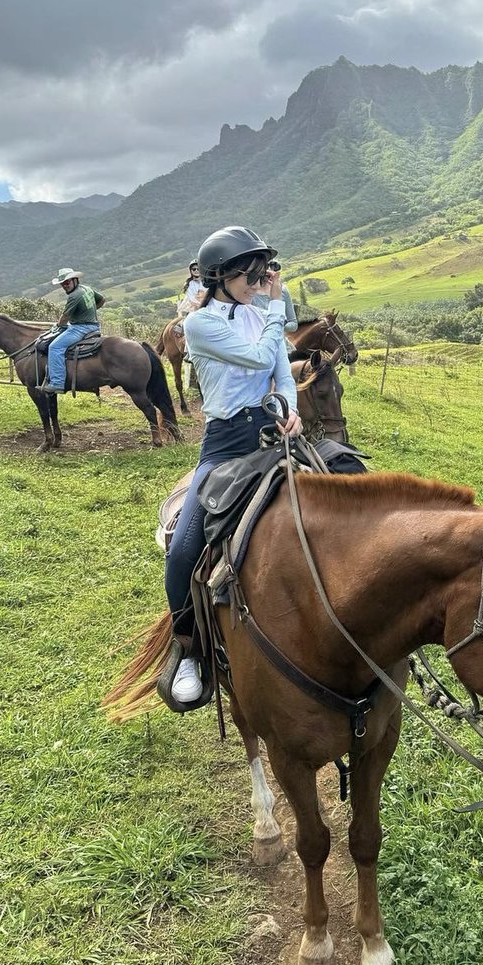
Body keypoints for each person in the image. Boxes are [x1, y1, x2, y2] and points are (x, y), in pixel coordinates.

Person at [165, 226, 303, 705]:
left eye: (262, 270)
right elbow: (259, 355)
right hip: (226, 444)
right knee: (183, 548)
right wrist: (271, 308)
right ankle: (187, 651)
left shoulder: (256, 313)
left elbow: (280, 370)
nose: (259, 278)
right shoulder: (202, 325)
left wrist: (291, 409)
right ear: (220, 275)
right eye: (250, 271)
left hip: (272, 431)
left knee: (348, 481)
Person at [38, 267, 105, 395]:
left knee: (54, 347)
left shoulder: (74, 296)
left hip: (80, 328)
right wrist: (89, 312)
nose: (64, 286)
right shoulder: (87, 289)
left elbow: (65, 317)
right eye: (62, 284)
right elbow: (102, 300)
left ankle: (57, 383)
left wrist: (58, 325)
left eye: (67, 282)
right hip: (94, 326)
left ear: (75, 280)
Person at [251, 260, 297, 339]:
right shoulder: (250, 293)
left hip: (279, 341)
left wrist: (278, 325)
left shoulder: (282, 290)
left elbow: (293, 324)